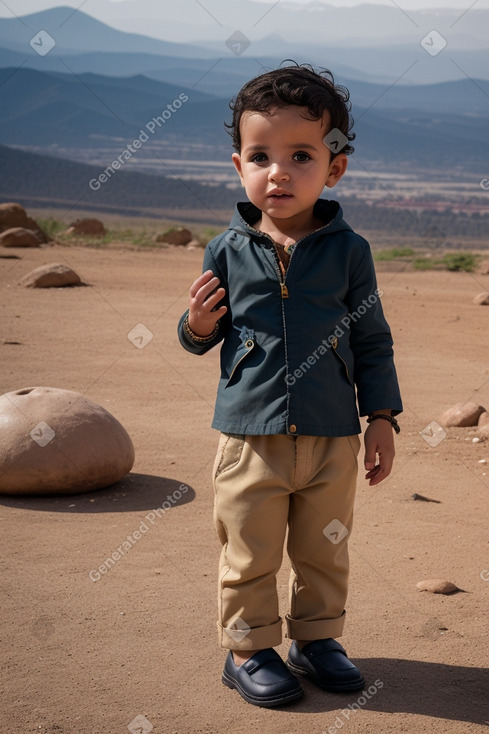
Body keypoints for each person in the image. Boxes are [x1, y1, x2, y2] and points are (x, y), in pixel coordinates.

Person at [177, 62, 402, 709]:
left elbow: (371, 340)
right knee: (248, 550)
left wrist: (380, 417)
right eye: (260, 155)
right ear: (237, 164)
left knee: (323, 549)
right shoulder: (225, 249)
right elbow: (201, 335)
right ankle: (247, 648)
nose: (278, 171)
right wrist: (193, 325)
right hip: (250, 437)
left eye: (300, 155)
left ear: (334, 169)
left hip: (332, 435)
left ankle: (316, 640)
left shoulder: (348, 251)